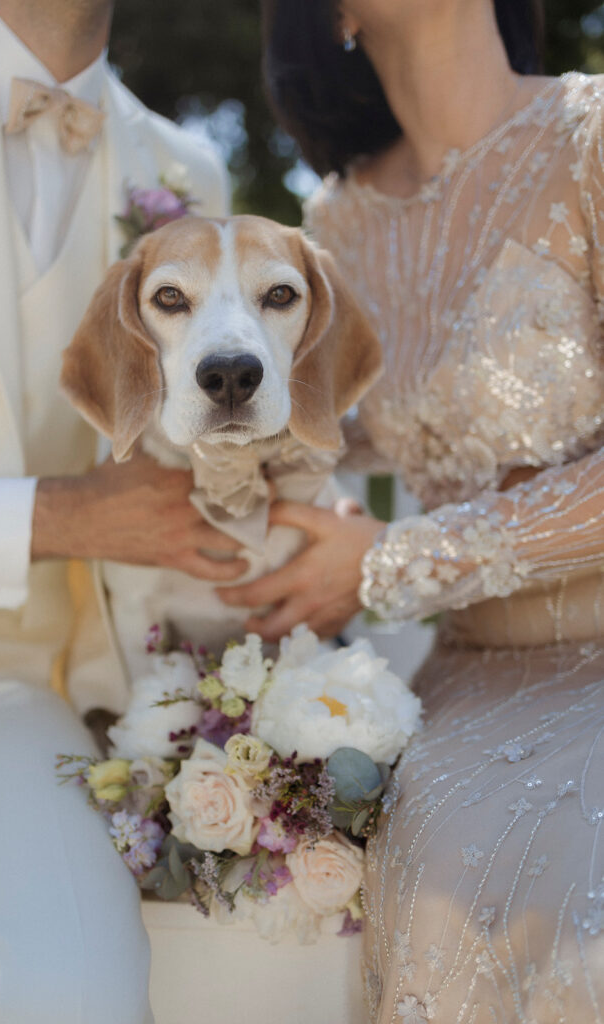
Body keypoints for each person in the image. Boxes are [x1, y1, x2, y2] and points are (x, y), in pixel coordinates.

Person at [219, 0, 604, 1019]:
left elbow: (377, 548)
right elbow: (291, 451)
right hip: (472, 701)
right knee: (441, 923)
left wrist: (389, 561)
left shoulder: (592, 137)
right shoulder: (326, 240)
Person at [0, 0, 246, 1019]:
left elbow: (190, 491)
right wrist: (57, 518)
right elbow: (94, 509)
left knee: (60, 991)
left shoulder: (188, 175)